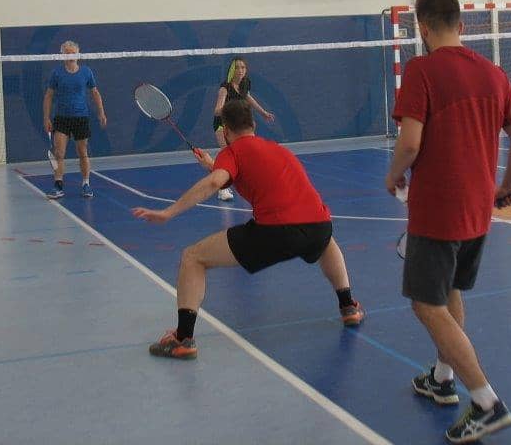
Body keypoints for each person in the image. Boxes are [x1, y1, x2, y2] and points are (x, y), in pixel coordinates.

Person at [385, 0, 511, 444]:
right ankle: (442, 378)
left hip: (437, 211)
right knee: (448, 291)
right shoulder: (494, 73)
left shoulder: (421, 70)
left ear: (422, 28)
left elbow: (410, 143)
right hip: (478, 213)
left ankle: (486, 403)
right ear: (462, 25)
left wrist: (394, 176)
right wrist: (506, 186)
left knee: (426, 305)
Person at [133, 99, 364, 360]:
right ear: (253, 124)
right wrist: (213, 164)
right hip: (320, 225)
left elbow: (215, 183)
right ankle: (348, 307)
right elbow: (244, 171)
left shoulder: (231, 152)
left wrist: (168, 212)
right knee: (326, 243)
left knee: (192, 257)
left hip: (277, 232)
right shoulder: (277, 149)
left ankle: (183, 339)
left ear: (225, 131)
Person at [42, 40, 107, 199]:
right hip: (61, 118)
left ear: (78, 54)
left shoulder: (86, 72)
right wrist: (46, 118)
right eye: (67, 53)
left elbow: (95, 93)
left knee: (83, 153)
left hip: (80, 117)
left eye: (73, 52)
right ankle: (58, 186)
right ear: (62, 55)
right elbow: (49, 96)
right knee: (59, 153)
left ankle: (86, 184)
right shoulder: (56, 73)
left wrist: (101, 113)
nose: (70, 55)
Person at [211, 56, 275, 201]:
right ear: (232, 70)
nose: (240, 70)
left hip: (238, 124)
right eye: (237, 67)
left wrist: (263, 112)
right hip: (222, 124)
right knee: (227, 155)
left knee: (248, 153)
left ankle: (252, 183)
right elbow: (217, 111)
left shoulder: (245, 84)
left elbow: (248, 97)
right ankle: (223, 189)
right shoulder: (225, 87)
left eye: (243, 67)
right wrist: (232, 109)